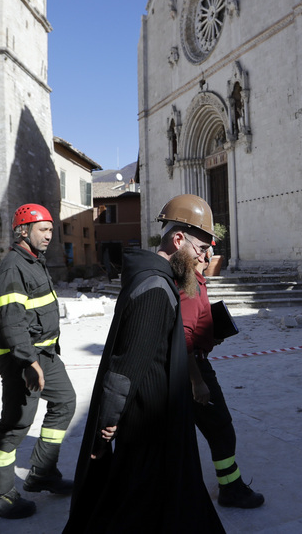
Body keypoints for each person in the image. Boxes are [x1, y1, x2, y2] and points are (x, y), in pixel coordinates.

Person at [64, 194, 224, 533]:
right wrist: (109, 420)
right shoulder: (155, 288)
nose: (203, 259)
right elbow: (127, 363)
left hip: (154, 420)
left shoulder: (158, 279)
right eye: (201, 249)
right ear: (178, 240)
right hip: (147, 425)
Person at [0, 203, 76, 519]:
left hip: (46, 354)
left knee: (65, 402)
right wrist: (27, 363)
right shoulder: (12, 267)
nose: (50, 235)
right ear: (23, 231)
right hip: (22, 360)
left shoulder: (35, 261)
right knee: (15, 425)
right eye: (43, 229)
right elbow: (12, 322)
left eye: (51, 229)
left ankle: (41, 473)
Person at [181, 240, 265, 509]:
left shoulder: (194, 281)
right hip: (194, 369)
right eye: (206, 252)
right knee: (221, 429)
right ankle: (231, 489)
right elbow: (183, 338)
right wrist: (197, 382)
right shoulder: (189, 286)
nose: (209, 258)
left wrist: (209, 337)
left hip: (194, 362)